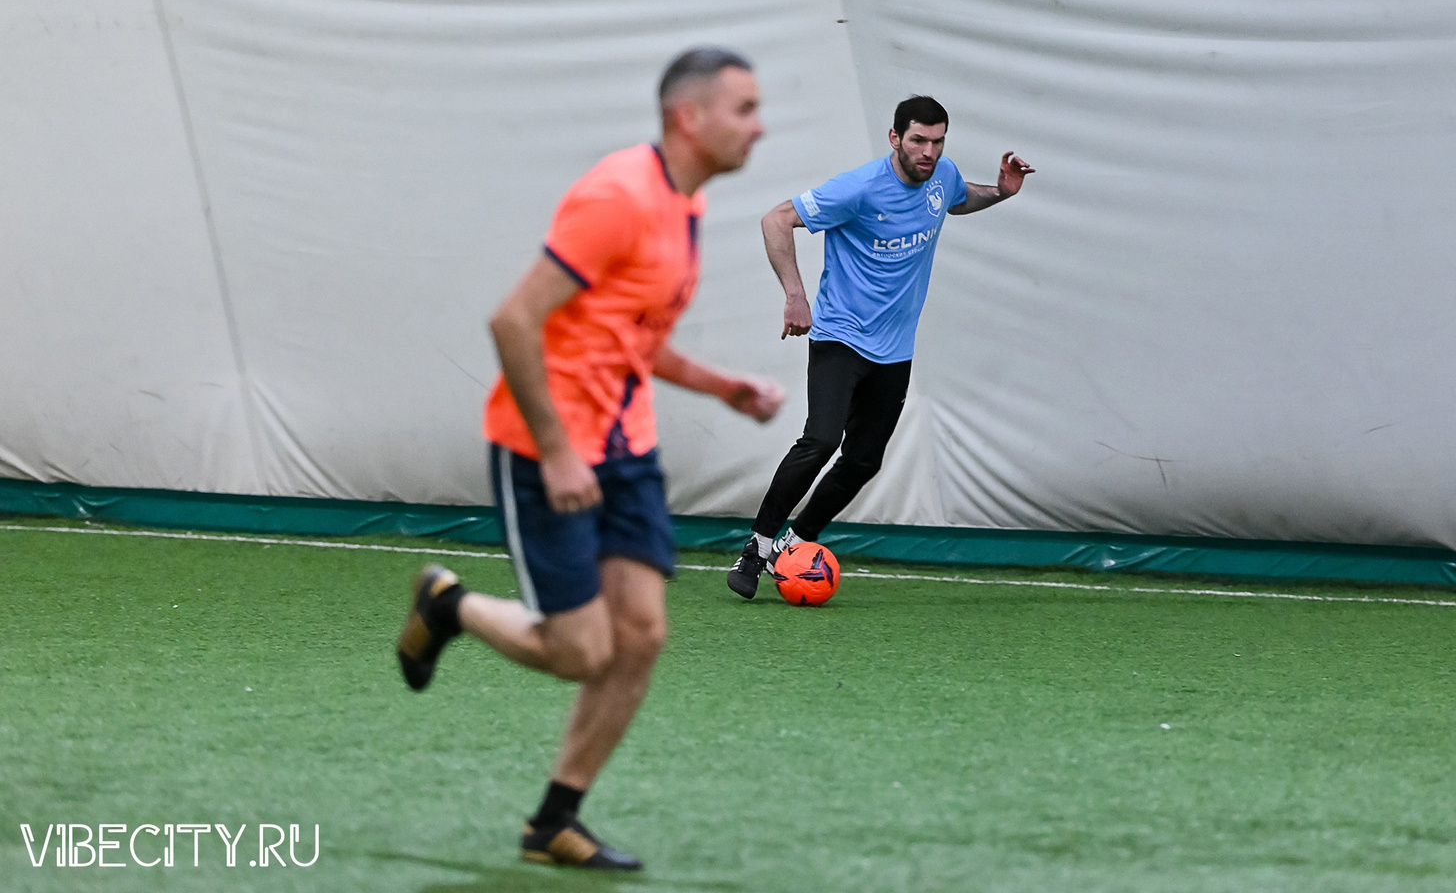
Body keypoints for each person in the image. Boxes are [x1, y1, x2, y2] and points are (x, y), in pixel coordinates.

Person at [396, 48, 784, 870]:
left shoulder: (685, 204)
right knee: (580, 652)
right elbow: (512, 322)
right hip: (548, 449)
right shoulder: (619, 196)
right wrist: (557, 452)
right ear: (689, 117)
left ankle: (553, 822)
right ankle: (448, 606)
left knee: (640, 637)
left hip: (625, 449)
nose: (761, 126)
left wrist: (722, 387)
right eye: (746, 109)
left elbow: (633, 338)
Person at [727, 95, 1033, 599]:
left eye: (937, 142)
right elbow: (776, 219)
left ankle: (793, 545)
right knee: (820, 441)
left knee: (864, 461)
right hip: (841, 336)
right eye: (918, 140)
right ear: (895, 138)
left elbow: (958, 199)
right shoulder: (860, 188)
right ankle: (757, 548)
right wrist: (795, 295)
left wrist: (1000, 191)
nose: (928, 152)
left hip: (894, 349)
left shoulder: (942, 176)